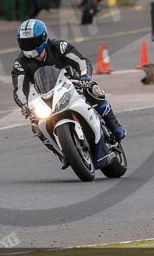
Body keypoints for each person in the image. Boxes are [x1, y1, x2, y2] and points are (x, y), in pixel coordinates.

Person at [11, 18, 126, 169]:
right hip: (46, 94)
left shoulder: (59, 46)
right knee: (35, 123)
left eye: (32, 42)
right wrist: (25, 105)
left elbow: (82, 61)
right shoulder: (20, 62)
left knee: (91, 89)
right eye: (25, 43)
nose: (29, 46)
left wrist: (85, 76)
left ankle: (114, 124)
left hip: (73, 83)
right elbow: (19, 89)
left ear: (43, 38)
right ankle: (61, 153)